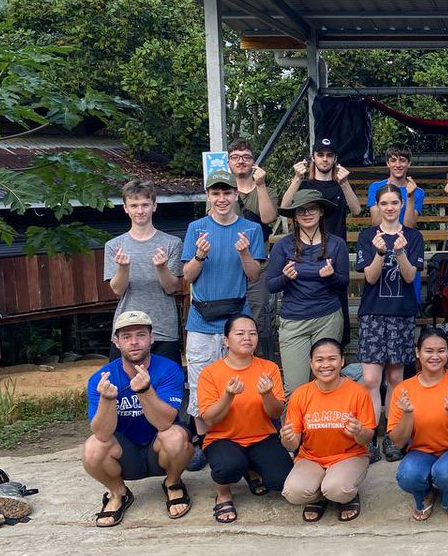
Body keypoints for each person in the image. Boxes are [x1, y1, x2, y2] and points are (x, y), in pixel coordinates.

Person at [182, 170, 266, 470]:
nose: (221, 199)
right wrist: (200, 256)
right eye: (215, 193)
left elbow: (254, 274)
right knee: (200, 381)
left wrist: (244, 253)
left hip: (235, 318)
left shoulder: (250, 230)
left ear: (235, 195)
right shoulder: (196, 228)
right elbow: (187, 276)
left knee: (242, 380)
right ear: (208, 196)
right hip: (201, 320)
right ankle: (205, 441)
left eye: (227, 193)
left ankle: (240, 436)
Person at [83, 310, 193, 527]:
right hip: (125, 454)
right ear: (116, 342)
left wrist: (145, 391)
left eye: (141, 335)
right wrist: (107, 399)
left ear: (151, 338)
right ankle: (118, 493)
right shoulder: (102, 377)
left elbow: (164, 423)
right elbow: (102, 434)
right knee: (92, 448)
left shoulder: (169, 369)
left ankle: (172, 483)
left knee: (176, 437)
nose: (134, 342)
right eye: (126, 337)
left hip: (159, 450)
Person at [197, 315, 294, 524]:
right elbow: (209, 420)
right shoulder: (210, 373)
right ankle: (223, 494)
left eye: (252, 333)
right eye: (239, 333)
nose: (247, 338)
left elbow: (276, 413)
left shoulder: (269, 368)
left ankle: (251, 469)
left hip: (261, 437)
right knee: (228, 468)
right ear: (226, 340)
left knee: (282, 479)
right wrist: (228, 396)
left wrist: (267, 394)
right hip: (223, 439)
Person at [355, 185, 425, 463]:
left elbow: (410, 277)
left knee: (396, 378)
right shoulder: (366, 236)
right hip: (373, 313)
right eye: (384, 203)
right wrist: (381, 253)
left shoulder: (413, 236)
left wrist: (401, 253)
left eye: (395, 202)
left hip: (401, 313)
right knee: (371, 380)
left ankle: (394, 437)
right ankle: (370, 438)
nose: (390, 207)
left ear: (402, 205)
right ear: (378, 205)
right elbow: (370, 278)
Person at [388, 328, 448, 522]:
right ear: (417, 352)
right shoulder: (404, 389)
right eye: (428, 351)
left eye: (441, 350)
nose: (435, 356)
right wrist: (407, 415)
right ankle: (426, 491)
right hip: (422, 451)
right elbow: (397, 443)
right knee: (407, 476)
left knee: (446, 474)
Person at [280, 338, 375, 523]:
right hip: (311, 458)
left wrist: (358, 431)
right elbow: (292, 444)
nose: (325, 365)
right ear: (311, 363)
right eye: (319, 360)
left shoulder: (358, 392)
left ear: (342, 361)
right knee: (294, 493)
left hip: (349, 456)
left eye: (331, 359)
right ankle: (321, 496)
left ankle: (344, 495)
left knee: (338, 489)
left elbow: (366, 439)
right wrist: (287, 438)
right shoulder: (301, 394)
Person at [265, 190, 350, 392]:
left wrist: (331, 276)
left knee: (328, 381)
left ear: (321, 211)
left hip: (327, 317)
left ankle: (327, 423)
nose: (306, 213)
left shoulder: (337, 244)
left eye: (311, 208)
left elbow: (343, 283)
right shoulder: (283, 245)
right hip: (294, 321)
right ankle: (293, 425)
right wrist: (286, 278)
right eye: (300, 210)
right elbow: (270, 285)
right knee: (295, 387)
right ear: (294, 215)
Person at [104, 179, 183, 363]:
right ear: (125, 208)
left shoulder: (172, 243)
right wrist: (123, 268)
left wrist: (162, 267)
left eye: (145, 205)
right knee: (123, 387)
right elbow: (117, 290)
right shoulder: (114, 246)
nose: (140, 211)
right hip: (127, 329)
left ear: (154, 206)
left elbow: (172, 287)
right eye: (134, 205)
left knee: (166, 386)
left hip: (163, 329)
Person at [228, 139, 277, 355]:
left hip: (259, 265)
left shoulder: (265, 189)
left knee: (260, 320)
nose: (241, 161)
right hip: (229, 266)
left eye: (246, 157)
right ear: (229, 162)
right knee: (232, 321)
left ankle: (263, 367)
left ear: (253, 162)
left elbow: (267, 217)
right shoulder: (222, 192)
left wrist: (260, 185)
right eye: (235, 157)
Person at [281, 137, 362, 239]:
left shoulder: (343, 185)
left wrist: (345, 183)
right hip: (307, 245)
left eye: (329, 155)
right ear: (313, 158)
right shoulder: (302, 185)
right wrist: (297, 178)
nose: (325, 159)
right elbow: (284, 207)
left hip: (336, 245)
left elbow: (356, 211)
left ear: (335, 159)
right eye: (320, 155)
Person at [367, 145, 424, 229]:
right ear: (387, 163)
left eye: (402, 161)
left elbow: (409, 227)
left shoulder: (417, 192)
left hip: (405, 238)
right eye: (393, 161)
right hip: (381, 238)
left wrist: (410, 197)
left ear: (409, 163)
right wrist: (385, 193)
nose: (398, 165)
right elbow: (376, 223)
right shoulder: (375, 187)